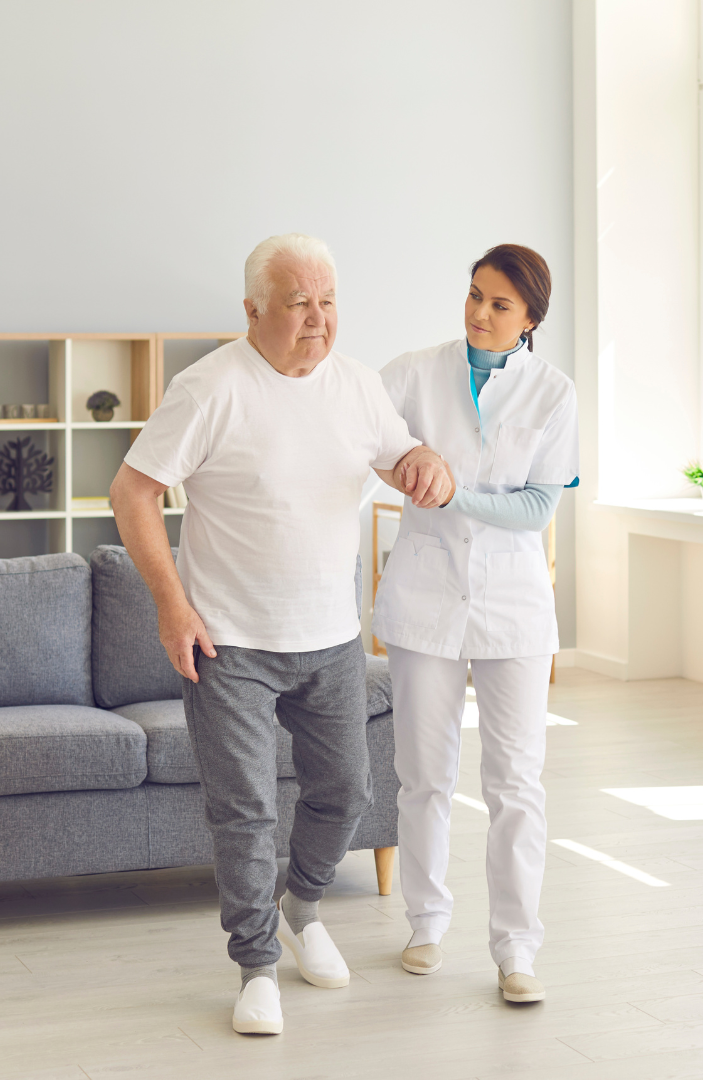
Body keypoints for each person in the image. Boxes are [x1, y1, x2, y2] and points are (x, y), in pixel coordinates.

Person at [110, 233, 454, 1036]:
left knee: (349, 793)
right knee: (244, 814)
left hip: (331, 637)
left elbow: (399, 452)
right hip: (228, 642)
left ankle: (303, 907)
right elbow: (133, 493)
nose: (317, 319)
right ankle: (256, 966)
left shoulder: (359, 387)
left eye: (328, 301)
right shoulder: (210, 388)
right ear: (253, 310)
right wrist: (171, 604)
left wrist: (425, 460)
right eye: (298, 302)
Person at [373, 243, 578, 1003]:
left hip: (514, 607)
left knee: (516, 783)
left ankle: (517, 949)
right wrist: (407, 464)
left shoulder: (554, 394)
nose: (479, 314)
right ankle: (426, 924)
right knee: (424, 777)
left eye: (499, 305)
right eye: (473, 295)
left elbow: (536, 507)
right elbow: (364, 436)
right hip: (426, 599)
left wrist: (448, 488)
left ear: (530, 319)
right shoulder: (413, 372)